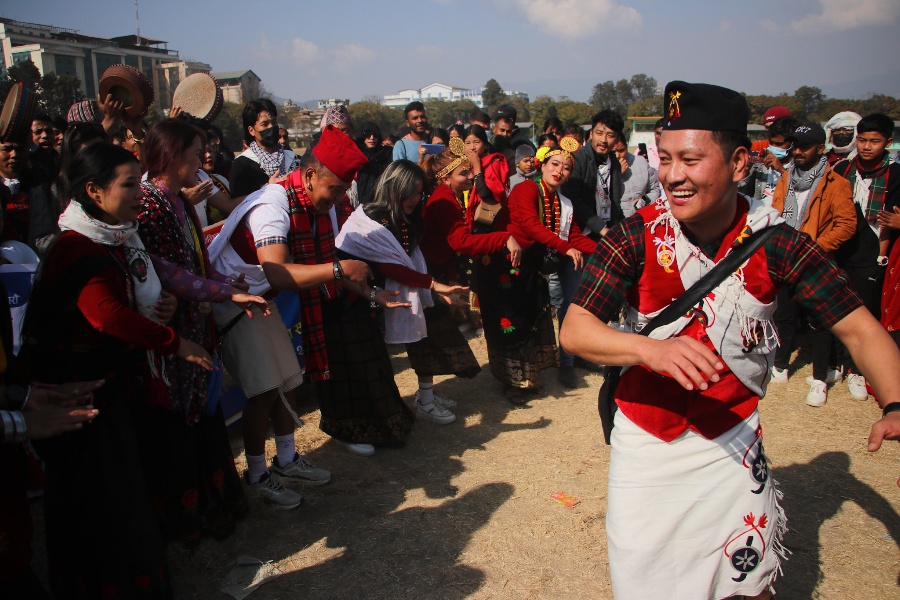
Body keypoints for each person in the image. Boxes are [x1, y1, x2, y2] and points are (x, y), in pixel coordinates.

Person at [560, 80, 900, 600]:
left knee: (745, 583)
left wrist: (894, 403)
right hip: (647, 442)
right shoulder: (636, 235)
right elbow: (576, 329)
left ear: (740, 163)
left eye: (691, 160)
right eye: (665, 159)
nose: (673, 176)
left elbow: (860, 327)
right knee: (645, 576)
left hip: (731, 440)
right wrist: (650, 349)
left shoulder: (776, 241)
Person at [17, 142, 216, 598]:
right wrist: (175, 343)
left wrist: (162, 303)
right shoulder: (79, 249)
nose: (139, 195)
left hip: (109, 388)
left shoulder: (118, 237)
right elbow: (105, 315)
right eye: (128, 186)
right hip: (80, 399)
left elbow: (135, 292)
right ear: (94, 191)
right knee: (104, 506)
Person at [138, 119, 264, 541]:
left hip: (193, 324)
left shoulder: (176, 200)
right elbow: (167, 273)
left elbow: (197, 262)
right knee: (180, 424)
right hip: (170, 335)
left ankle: (214, 505)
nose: (202, 160)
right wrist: (225, 292)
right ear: (172, 155)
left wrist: (226, 284)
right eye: (196, 153)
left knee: (202, 418)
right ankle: (187, 518)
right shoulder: (150, 203)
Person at [336, 161, 478, 425]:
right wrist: (434, 286)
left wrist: (433, 292)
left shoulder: (407, 215)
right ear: (393, 188)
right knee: (369, 364)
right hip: (356, 299)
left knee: (427, 336)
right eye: (409, 192)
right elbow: (391, 266)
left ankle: (425, 398)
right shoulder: (371, 218)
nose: (414, 198)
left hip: (398, 292)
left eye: (419, 193)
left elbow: (409, 260)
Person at [420, 139, 525, 401]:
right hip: (429, 273)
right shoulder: (443, 201)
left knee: (434, 338)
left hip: (436, 270)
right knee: (431, 339)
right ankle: (425, 399)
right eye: (463, 172)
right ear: (445, 178)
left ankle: (427, 397)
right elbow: (461, 242)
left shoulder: (449, 196)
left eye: (469, 171)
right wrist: (503, 238)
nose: (470, 176)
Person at [769, 122, 856, 407]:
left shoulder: (837, 184)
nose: (798, 152)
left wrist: (815, 247)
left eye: (805, 147)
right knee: (784, 316)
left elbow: (846, 224)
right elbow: (776, 212)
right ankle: (780, 366)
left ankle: (820, 378)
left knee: (820, 322)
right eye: (796, 146)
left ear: (821, 148)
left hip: (816, 261)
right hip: (786, 259)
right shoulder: (786, 178)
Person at [508, 137, 596, 391]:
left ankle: (569, 359)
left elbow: (574, 236)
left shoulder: (563, 202)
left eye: (566, 167)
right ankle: (515, 378)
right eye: (555, 164)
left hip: (545, 259)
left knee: (573, 302)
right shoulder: (525, 189)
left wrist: (607, 249)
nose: (559, 170)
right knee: (519, 317)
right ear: (543, 165)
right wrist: (566, 247)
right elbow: (531, 225)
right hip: (518, 259)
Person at [833, 113, 900, 395]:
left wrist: (881, 256)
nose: (867, 146)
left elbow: (890, 219)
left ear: (888, 142)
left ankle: (857, 370)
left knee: (866, 312)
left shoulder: (896, 175)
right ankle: (837, 361)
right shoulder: (841, 169)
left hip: (874, 253)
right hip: (841, 249)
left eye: (875, 141)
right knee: (837, 308)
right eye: (862, 140)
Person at [230, 98, 299, 197]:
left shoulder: (292, 158)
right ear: (251, 130)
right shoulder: (242, 164)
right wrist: (270, 189)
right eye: (264, 124)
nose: (271, 127)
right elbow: (237, 203)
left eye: (274, 122)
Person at [740, 115, 799, 202]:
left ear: (793, 144)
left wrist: (782, 170)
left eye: (779, 144)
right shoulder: (760, 166)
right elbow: (741, 195)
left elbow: (799, 193)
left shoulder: (800, 167)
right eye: (771, 143)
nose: (773, 147)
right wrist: (745, 173)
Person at [355, 122, 393, 206]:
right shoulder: (358, 152)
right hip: (362, 197)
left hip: (383, 198)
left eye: (375, 135)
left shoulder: (387, 153)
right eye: (368, 135)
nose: (372, 138)